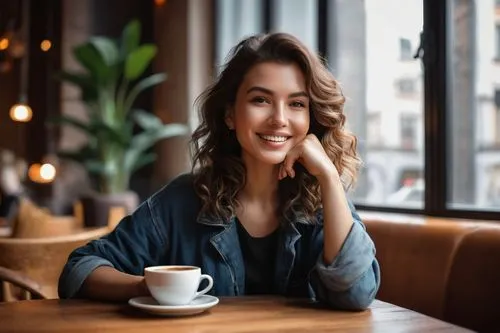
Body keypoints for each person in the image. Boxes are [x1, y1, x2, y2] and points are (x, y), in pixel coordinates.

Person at [58, 32, 380, 310]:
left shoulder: (322, 203)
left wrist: (328, 175)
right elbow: (80, 269)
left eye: (297, 104)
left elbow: (354, 294)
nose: (279, 119)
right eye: (260, 100)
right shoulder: (183, 200)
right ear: (230, 115)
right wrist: (149, 288)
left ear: (311, 118)